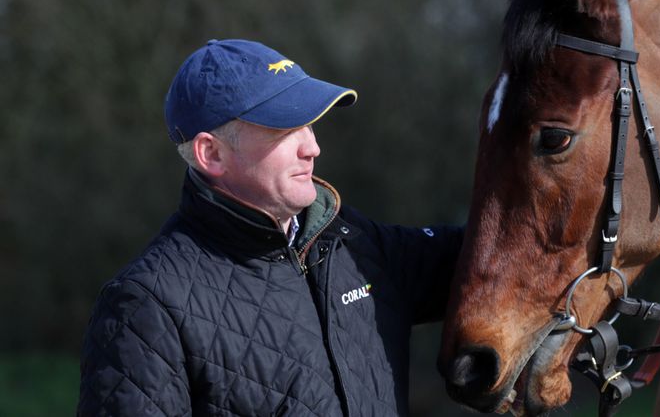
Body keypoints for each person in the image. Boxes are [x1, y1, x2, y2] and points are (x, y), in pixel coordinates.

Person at [78, 39, 464, 416]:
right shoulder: (146, 306)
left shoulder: (354, 244)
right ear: (211, 153)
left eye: (310, 125)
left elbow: (495, 256)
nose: (311, 148)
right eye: (285, 129)